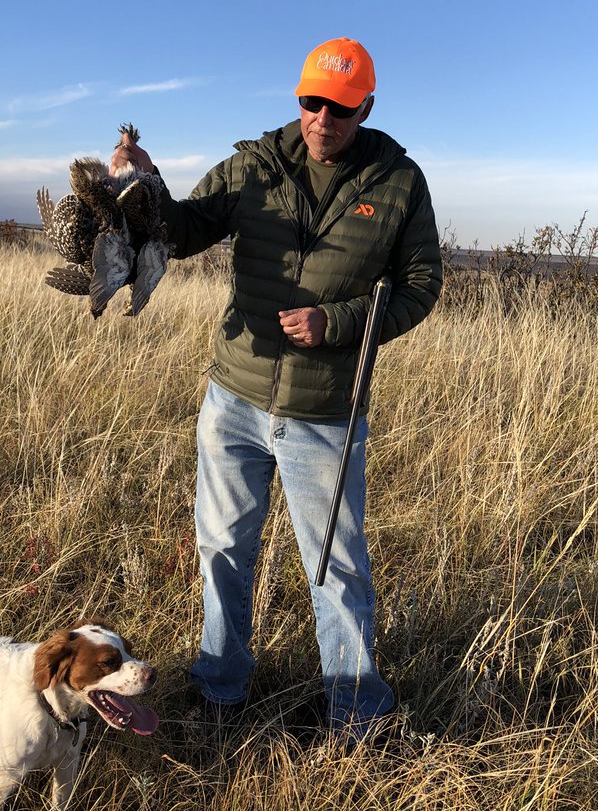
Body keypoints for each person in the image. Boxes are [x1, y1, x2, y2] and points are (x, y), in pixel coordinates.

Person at [111, 37, 442, 744]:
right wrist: (145, 187)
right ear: (298, 98)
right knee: (223, 546)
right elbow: (187, 229)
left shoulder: (398, 183)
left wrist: (341, 322)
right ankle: (219, 690)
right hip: (234, 398)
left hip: (325, 411)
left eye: (342, 109)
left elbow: (422, 285)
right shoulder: (254, 164)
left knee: (335, 567)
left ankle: (356, 716)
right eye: (312, 102)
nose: (324, 118)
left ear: (367, 108)